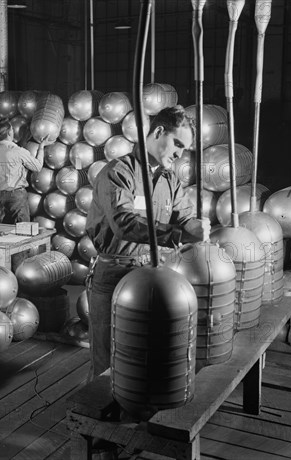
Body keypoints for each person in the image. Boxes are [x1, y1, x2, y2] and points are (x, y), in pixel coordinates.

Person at [85, 105, 210, 380]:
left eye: (185, 149)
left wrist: (195, 225)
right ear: (158, 131)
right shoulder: (119, 173)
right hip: (116, 273)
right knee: (108, 359)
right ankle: (98, 417)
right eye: (177, 144)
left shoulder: (170, 180)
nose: (179, 154)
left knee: (144, 352)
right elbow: (124, 223)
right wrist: (178, 234)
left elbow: (185, 215)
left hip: (154, 273)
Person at [0, 119, 52, 224]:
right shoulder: (17, 151)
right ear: (9, 132)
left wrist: (23, 141)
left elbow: (9, 156)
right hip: (17, 196)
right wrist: (41, 147)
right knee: (23, 230)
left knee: (8, 229)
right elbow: (37, 167)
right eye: (12, 129)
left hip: (2, 195)